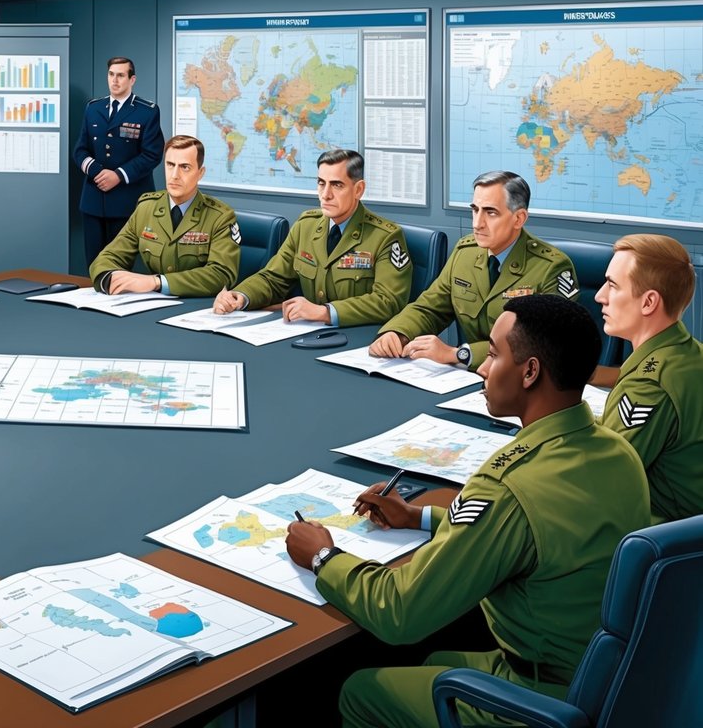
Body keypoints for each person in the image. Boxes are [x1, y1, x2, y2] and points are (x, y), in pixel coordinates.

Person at [287, 294, 649, 727]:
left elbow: (401, 613)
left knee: (361, 690)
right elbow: (535, 529)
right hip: (617, 676)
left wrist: (323, 557)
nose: (481, 367)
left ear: (530, 372)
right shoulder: (617, 450)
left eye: (494, 355)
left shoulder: (508, 485)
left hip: (546, 697)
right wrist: (416, 515)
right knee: (438, 657)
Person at [369, 171, 577, 370]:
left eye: (491, 212)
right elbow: (429, 308)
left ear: (519, 219)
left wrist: (459, 354)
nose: (477, 223)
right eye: (475, 210)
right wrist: (397, 332)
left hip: (522, 382)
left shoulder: (552, 267)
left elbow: (545, 342)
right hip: (466, 378)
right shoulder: (465, 253)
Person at [213, 149, 410, 325]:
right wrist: (241, 295)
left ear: (358, 189)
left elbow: (388, 301)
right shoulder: (306, 226)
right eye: (321, 183)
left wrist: (326, 312)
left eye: (337, 185)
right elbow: (274, 278)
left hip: (358, 339)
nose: (325, 195)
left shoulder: (385, 236)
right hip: (307, 334)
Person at [595, 233, 702, 523]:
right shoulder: (689, 354)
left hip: (661, 540)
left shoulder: (649, 384)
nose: (599, 296)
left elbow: (598, 480)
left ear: (648, 302)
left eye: (612, 286)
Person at [88, 135, 238, 297]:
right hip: (152, 306)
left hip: (198, 308)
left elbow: (221, 275)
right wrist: (111, 278)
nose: (174, 175)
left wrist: (157, 282)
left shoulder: (220, 217)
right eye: (170, 165)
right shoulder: (146, 209)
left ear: (200, 173)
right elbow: (108, 257)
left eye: (185, 167)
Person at [74, 56, 165, 266]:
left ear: (132, 80)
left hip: (126, 201)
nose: (115, 80)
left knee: (119, 266)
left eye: (121, 75)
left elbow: (152, 154)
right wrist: (96, 171)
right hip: (93, 200)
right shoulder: (93, 108)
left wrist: (118, 175)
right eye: (111, 74)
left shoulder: (147, 111)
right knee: (94, 264)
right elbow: (80, 149)